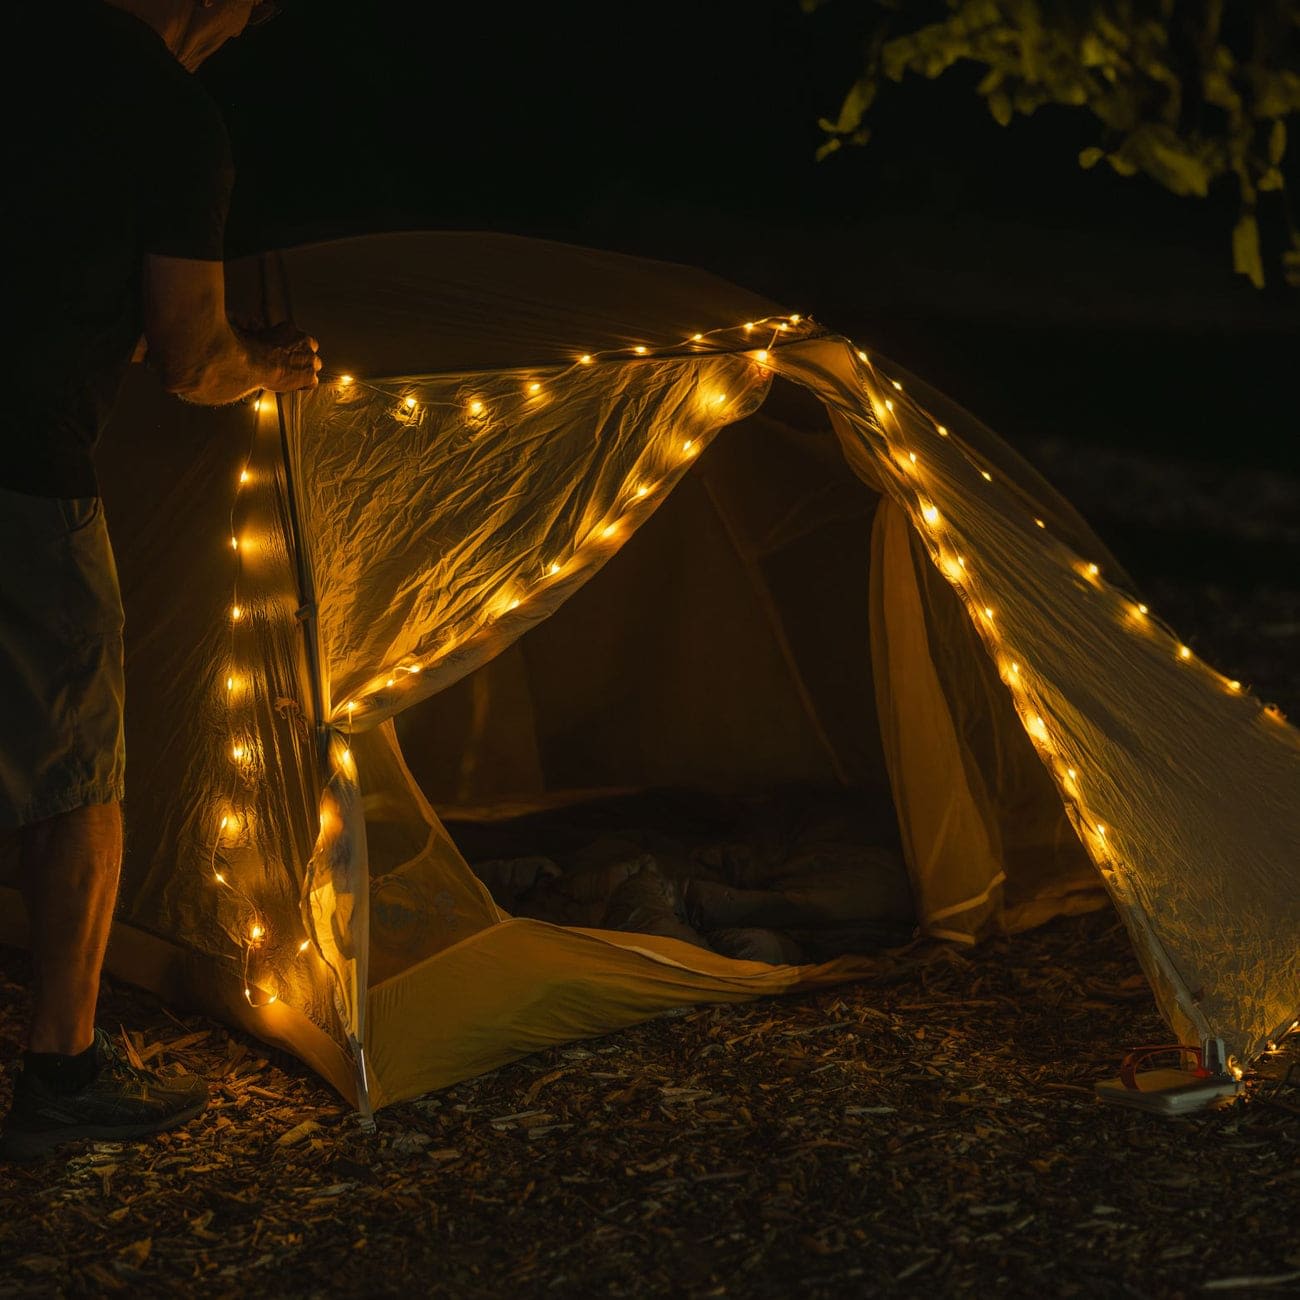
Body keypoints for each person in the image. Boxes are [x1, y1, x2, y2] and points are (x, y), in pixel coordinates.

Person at [0, 0, 320, 1162]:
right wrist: (266, 367)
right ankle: (64, 1068)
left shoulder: (23, 47)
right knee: (78, 767)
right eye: (246, 13)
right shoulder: (169, 114)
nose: (239, 36)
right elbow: (195, 357)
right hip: (24, 470)